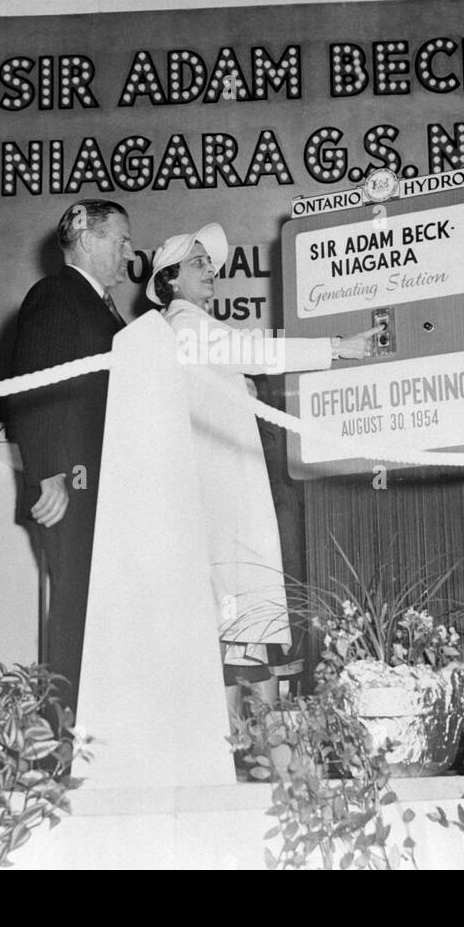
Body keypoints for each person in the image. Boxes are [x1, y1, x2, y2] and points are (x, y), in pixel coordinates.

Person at [148, 223, 377, 718]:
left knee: (237, 633)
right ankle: (251, 752)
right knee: (237, 624)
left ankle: (244, 754)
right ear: (169, 280)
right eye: (197, 263)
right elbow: (260, 351)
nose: (210, 269)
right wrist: (339, 346)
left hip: (225, 495)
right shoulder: (186, 328)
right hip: (220, 501)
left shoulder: (199, 329)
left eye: (210, 262)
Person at [10, 199, 132, 715]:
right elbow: (34, 387)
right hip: (70, 485)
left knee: (97, 608)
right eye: (120, 239)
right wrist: (47, 476)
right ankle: (60, 734)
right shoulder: (54, 294)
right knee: (74, 609)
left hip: (101, 482)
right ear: (86, 236)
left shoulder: (102, 304)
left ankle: (91, 728)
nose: (130, 251)